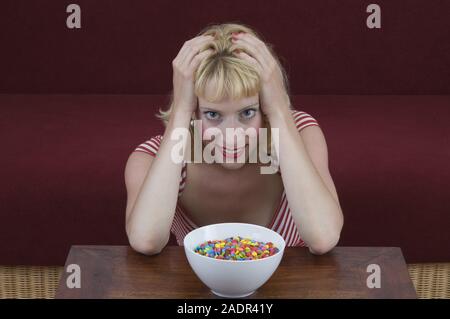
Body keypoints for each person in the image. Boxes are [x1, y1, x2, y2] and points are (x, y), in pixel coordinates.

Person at [124, 23, 343, 256]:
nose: (232, 134)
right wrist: (180, 111)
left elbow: (323, 237)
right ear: (194, 113)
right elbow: (146, 241)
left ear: (265, 109)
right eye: (213, 114)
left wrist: (279, 110)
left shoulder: (297, 133)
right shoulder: (151, 157)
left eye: (247, 112)